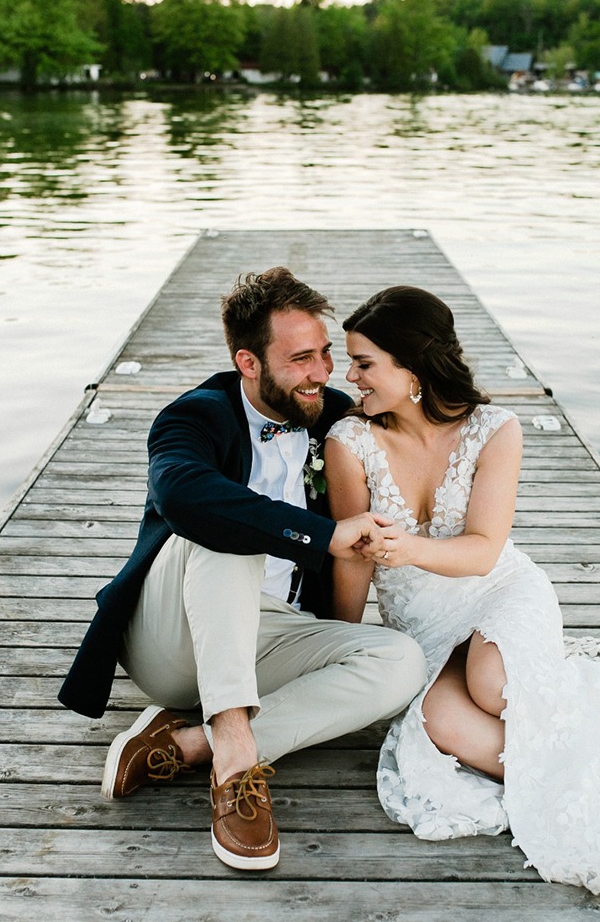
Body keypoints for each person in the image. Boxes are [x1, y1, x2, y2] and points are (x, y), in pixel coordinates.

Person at [325, 285, 600, 895]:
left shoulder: (495, 429)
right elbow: (353, 562)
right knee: (443, 727)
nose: (348, 375)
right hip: (425, 624)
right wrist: (343, 647)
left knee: (493, 685)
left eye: (363, 362)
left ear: (412, 366)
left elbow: (486, 547)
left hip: (500, 592)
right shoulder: (348, 443)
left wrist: (406, 548)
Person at [58, 268, 427, 872]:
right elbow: (184, 496)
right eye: (301, 359)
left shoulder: (334, 418)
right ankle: (233, 762)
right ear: (248, 362)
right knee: (224, 527)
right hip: (170, 640)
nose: (322, 373)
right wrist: (325, 534)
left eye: (326, 354)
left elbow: (421, 431)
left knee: (399, 660)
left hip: (269, 635)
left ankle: (183, 746)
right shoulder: (192, 417)